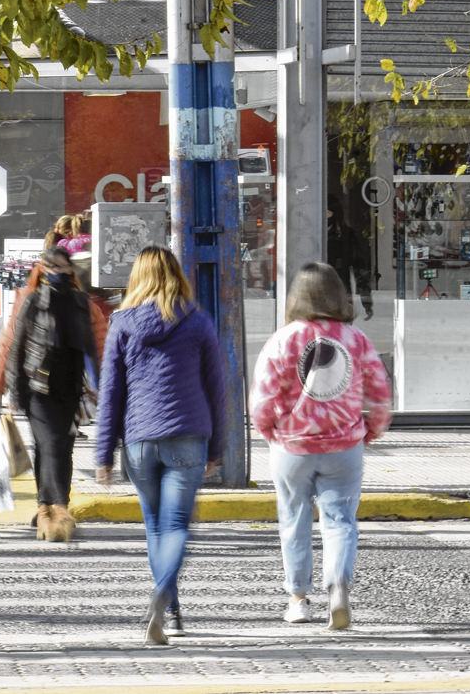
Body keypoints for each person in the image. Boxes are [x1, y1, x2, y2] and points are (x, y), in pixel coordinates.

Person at [250, 262, 392, 630]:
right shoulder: (355, 339)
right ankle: (338, 587)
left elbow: (263, 398)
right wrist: (371, 429)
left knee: (293, 520)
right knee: (341, 520)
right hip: (344, 445)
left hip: (292, 446)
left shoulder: (283, 339)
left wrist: (267, 430)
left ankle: (298, 600)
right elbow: (379, 391)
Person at [95, 246, 225, 645]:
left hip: (138, 439)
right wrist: (218, 447)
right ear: (176, 277)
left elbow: (110, 392)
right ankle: (163, 597)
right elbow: (217, 388)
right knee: (176, 525)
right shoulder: (198, 321)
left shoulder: (121, 324)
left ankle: (170, 610)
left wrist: (103, 455)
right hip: (188, 435)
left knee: (155, 526)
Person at [1, 247, 103, 542]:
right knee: (51, 443)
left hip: (70, 388)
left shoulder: (80, 302)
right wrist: (13, 389)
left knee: (60, 448)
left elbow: (91, 348)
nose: (57, 272)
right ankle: (57, 507)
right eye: (51, 267)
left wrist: (98, 386)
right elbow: (15, 347)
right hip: (37, 389)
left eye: (62, 267)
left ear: (70, 270)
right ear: (43, 271)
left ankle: (48, 506)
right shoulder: (32, 301)